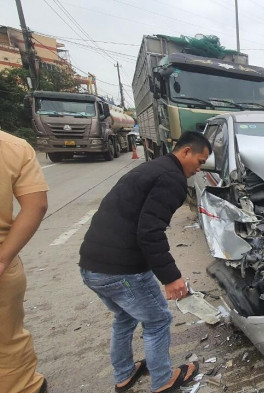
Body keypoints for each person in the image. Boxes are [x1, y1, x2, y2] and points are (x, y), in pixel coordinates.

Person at [79, 132, 211, 393]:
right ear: (185, 152)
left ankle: (124, 375)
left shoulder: (153, 168)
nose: (199, 169)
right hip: (121, 271)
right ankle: (163, 381)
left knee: (125, 317)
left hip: (92, 266)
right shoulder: (171, 180)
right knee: (158, 320)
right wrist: (171, 278)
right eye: (200, 161)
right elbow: (150, 232)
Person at [0, 130, 49, 393]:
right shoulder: (13, 147)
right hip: (3, 266)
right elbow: (36, 205)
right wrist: (3, 258)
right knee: (7, 346)